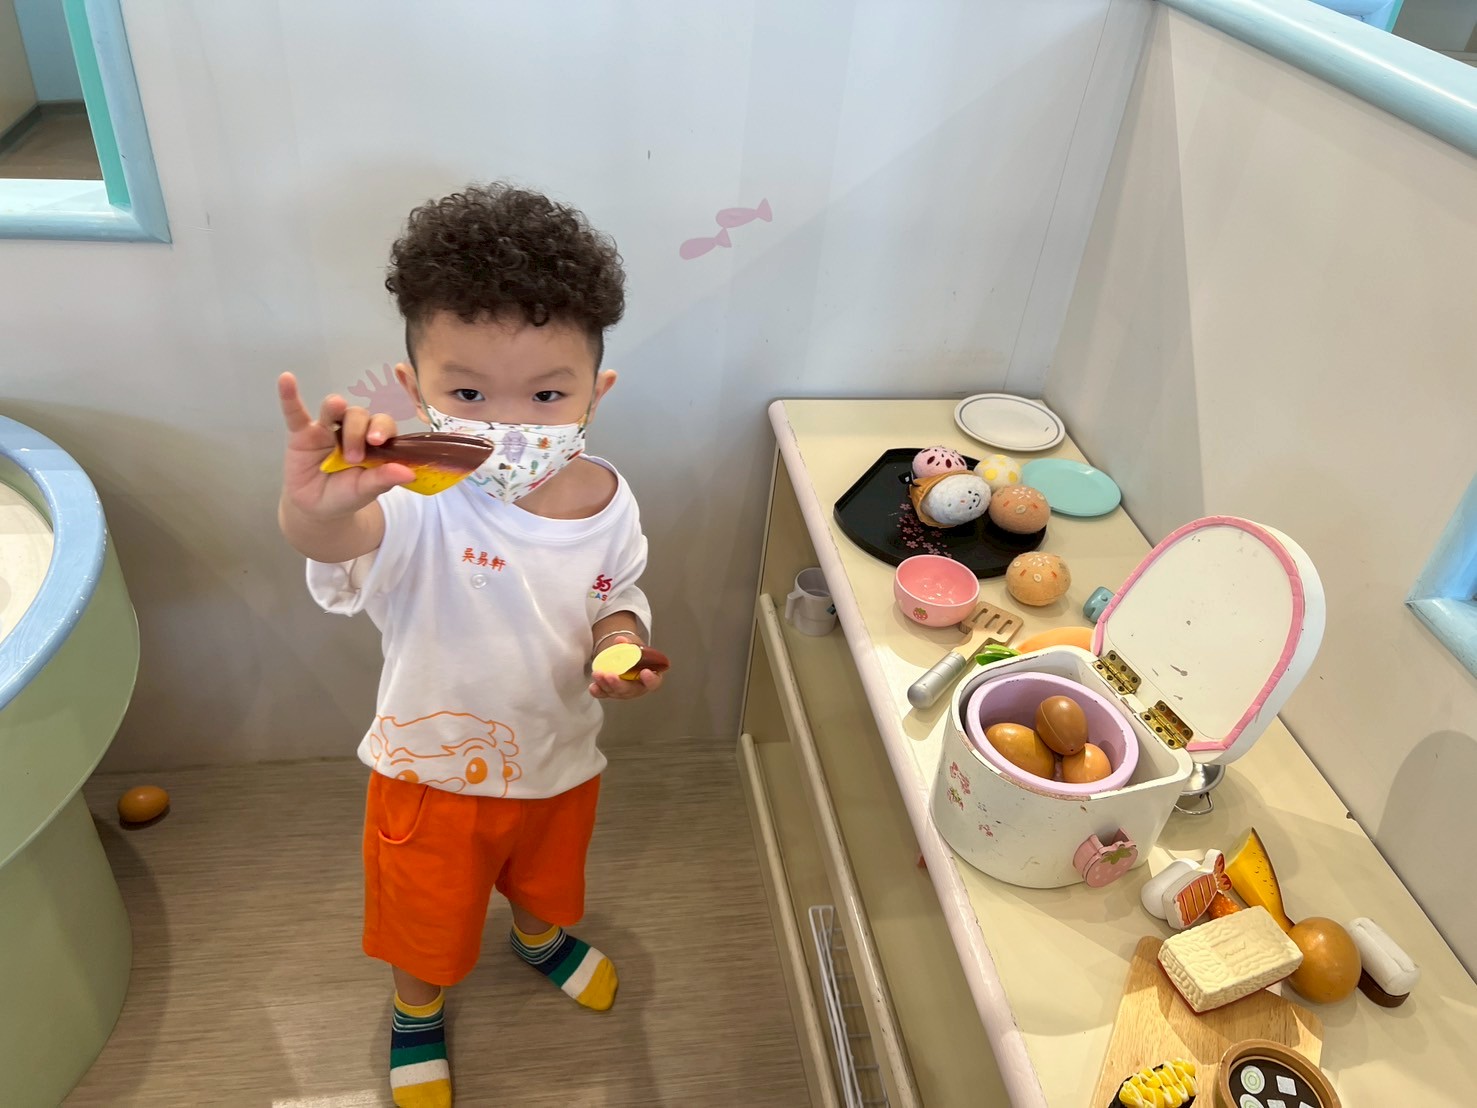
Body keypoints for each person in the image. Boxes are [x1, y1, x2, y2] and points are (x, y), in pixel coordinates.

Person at [276, 183, 661, 1108]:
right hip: (432, 775)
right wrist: (313, 507)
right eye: (468, 392)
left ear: (595, 394)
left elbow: (615, 594)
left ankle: (536, 937)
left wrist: (621, 641)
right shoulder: (411, 497)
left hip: (559, 754)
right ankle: (416, 1011)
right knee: (425, 921)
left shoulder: (609, 499)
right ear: (415, 390)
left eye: (546, 395)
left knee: (546, 878)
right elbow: (340, 544)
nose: (511, 422)